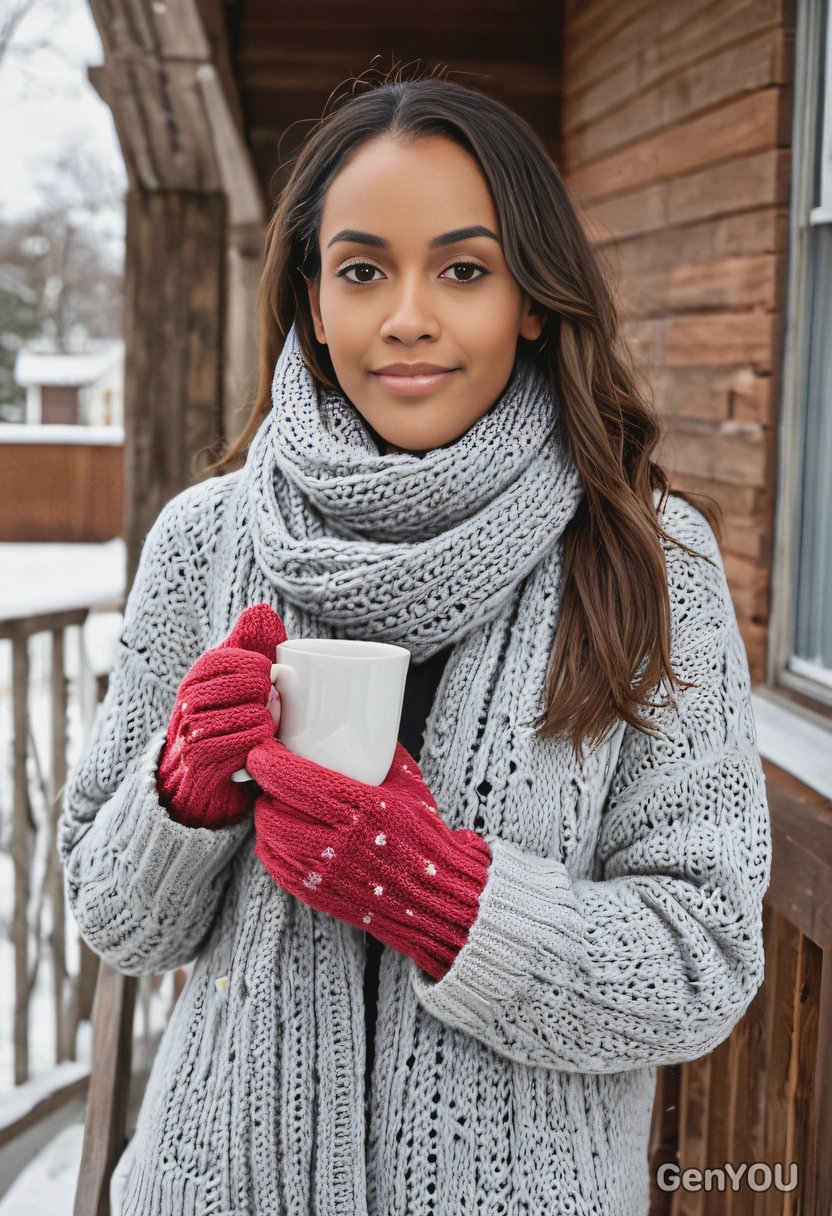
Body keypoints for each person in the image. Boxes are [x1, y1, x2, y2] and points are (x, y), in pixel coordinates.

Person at [58, 73, 771, 1215]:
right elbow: (114, 920)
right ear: (312, 299)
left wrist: (441, 898)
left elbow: (701, 958)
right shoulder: (204, 540)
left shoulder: (649, 562)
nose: (407, 315)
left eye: (463, 269)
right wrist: (181, 790)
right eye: (361, 270)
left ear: (531, 299)